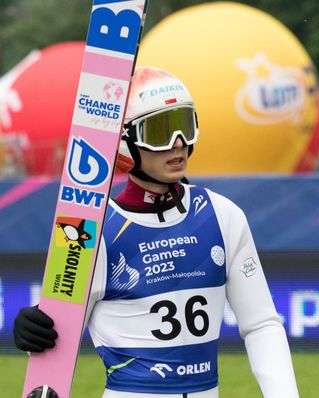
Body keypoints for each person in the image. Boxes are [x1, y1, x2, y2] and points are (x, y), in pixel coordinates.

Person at [14, 66, 299, 398]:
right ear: (124, 140)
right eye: (159, 130)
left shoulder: (224, 216)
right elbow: (56, 335)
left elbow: (261, 324)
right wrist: (34, 325)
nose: (178, 144)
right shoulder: (91, 232)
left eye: (183, 126)